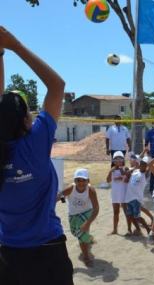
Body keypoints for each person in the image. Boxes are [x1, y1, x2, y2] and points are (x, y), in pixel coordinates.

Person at [0, 26, 74, 285]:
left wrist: (0, 53)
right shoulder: (34, 145)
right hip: (47, 250)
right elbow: (57, 86)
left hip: (7, 254)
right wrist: (15, 46)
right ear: (25, 121)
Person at [57, 169, 99, 267]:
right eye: (78, 180)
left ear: (88, 180)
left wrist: (88, 223)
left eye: (84, 180)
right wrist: (63, 200)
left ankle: (86, 257)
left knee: (81, 233)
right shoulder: (70, 188)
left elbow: (96, 207)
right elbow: (60, 196)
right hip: (73, 214)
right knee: (74, 232)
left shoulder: (91, 190)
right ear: (74, 180)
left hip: (86, 212)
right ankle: (88, 238)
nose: (81, 183)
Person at [106, 151, 139, 236]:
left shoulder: (125, 169)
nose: (118, 161)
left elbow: (128, 180)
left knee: (126, 212)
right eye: (116, 160)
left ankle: (129, 229)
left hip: (124, 194)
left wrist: (121, 178)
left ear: (123, 160)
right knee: (115, 212)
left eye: (119, 159)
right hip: (115, 194)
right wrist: (110, 172)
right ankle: (115, 229)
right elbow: (108, 181)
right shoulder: (112, 170)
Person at [125, 156, 151, 236]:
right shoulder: (135, 171)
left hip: (137, 198)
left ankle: (148, 229)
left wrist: (150, 165)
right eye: (142, 163)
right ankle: (130, 230)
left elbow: (149, 168)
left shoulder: (145, 175)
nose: (143, 165)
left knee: (137, 217)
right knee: (129, 215)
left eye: (145, 165)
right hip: (129, 197)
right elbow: (127, 174)